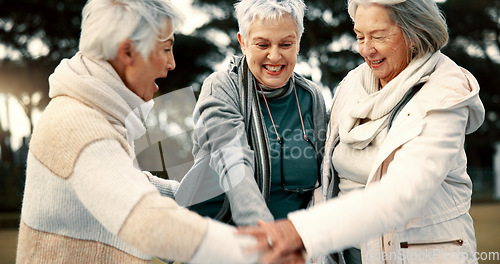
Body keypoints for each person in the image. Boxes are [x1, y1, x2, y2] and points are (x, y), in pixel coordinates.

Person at [239, 0, 485, 263]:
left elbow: (401, 195)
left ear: (414, 34)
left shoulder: (446, 95)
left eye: (378, 36)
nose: (366, 49)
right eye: (359, 36)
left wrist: (302, 232)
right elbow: (327, 179)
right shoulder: (351, 85)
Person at [15, 0, 259, 263]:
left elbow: (119, 180)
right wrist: (262, 250)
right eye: (166, 48)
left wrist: (189, 193)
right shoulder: (78, 124)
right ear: (128, 51)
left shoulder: (98, 115)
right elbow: (147, 220)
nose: (172, 63)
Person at [185, 0, 327, 226]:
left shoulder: (312, 97)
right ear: (243, 43)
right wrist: (266, 237)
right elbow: (233, 162)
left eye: (286, 44)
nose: (274, 56)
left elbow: (323, 182)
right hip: (228, 239)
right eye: (262, 45)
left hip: (295, 248)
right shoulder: (221, 87)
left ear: (298, 42)